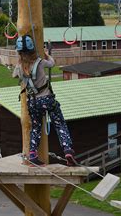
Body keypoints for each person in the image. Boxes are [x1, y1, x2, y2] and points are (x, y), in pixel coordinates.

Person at [13, 35, 76, 167]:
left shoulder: (19, 67)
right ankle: (67, 150)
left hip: (32, 102)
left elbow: (15, 76)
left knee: (35, 128)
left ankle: (32, 155)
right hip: (46, 98)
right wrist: (47, 54)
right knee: (59, 124)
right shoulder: (40, 62)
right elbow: (52, 63)